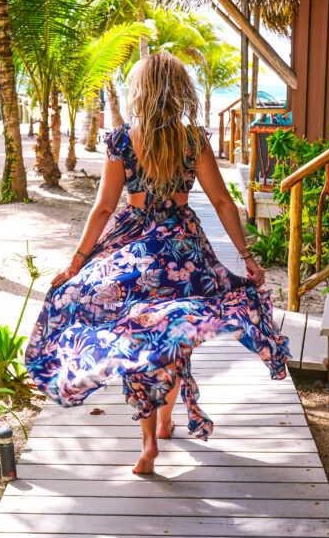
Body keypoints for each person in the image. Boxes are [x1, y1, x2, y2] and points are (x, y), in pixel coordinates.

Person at [24, 52, 289, 474]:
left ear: (140, 91)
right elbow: (222, 202)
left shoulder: (121, 140)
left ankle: (148, 442)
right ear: (180, 90)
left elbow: (103, 208)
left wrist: (75, 266)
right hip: (183, 247)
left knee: (135, 337)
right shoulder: (194, 140)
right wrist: (245, 256)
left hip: (132, 246)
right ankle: (166, 421)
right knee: (176, 329)